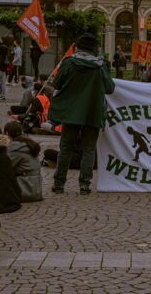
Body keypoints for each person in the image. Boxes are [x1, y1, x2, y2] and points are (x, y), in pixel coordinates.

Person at [49, 33, 115, 195]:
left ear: (77, 46)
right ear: (93, 49)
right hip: (92, 111)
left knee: (65, 147)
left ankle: (59, 184)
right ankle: (85, 185)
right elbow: (110, 88)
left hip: (71, 111)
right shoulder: (101, 65)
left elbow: (57, 83)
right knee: (89, 149)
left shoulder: (69, 62)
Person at [5, 121, 43, 202]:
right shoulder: (28, 144)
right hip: (36, 190)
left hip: (25, 190)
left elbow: (5, 167)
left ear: (7, 133)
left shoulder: (15, 147)